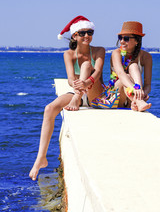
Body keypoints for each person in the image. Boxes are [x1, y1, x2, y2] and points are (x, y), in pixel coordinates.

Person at [29, 15, 105, 180]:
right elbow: (70, 78)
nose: (87, 36)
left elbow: (97, 72)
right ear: (74, 36)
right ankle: (40, 158)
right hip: (78, 92)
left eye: (90, 32)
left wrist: (86, 82)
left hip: (95, 93)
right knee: (49, 109)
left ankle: (76, 98)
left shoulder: (99, 50)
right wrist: (77, 85)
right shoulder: (68, 54)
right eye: (83, 32)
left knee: (86, 65)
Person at [110, 21, 152, 112]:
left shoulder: (146, 57)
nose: (121, 41)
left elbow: (148, 84)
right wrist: (135, 89)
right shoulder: (116, 53)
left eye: (126, 38)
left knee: (133, 66)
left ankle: (136, 101)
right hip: (117, 95)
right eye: (120, 38)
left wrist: (143, 93)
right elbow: (121, 74)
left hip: (132, 97)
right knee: (127, 76)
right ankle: (138, 101)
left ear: (137, 41)